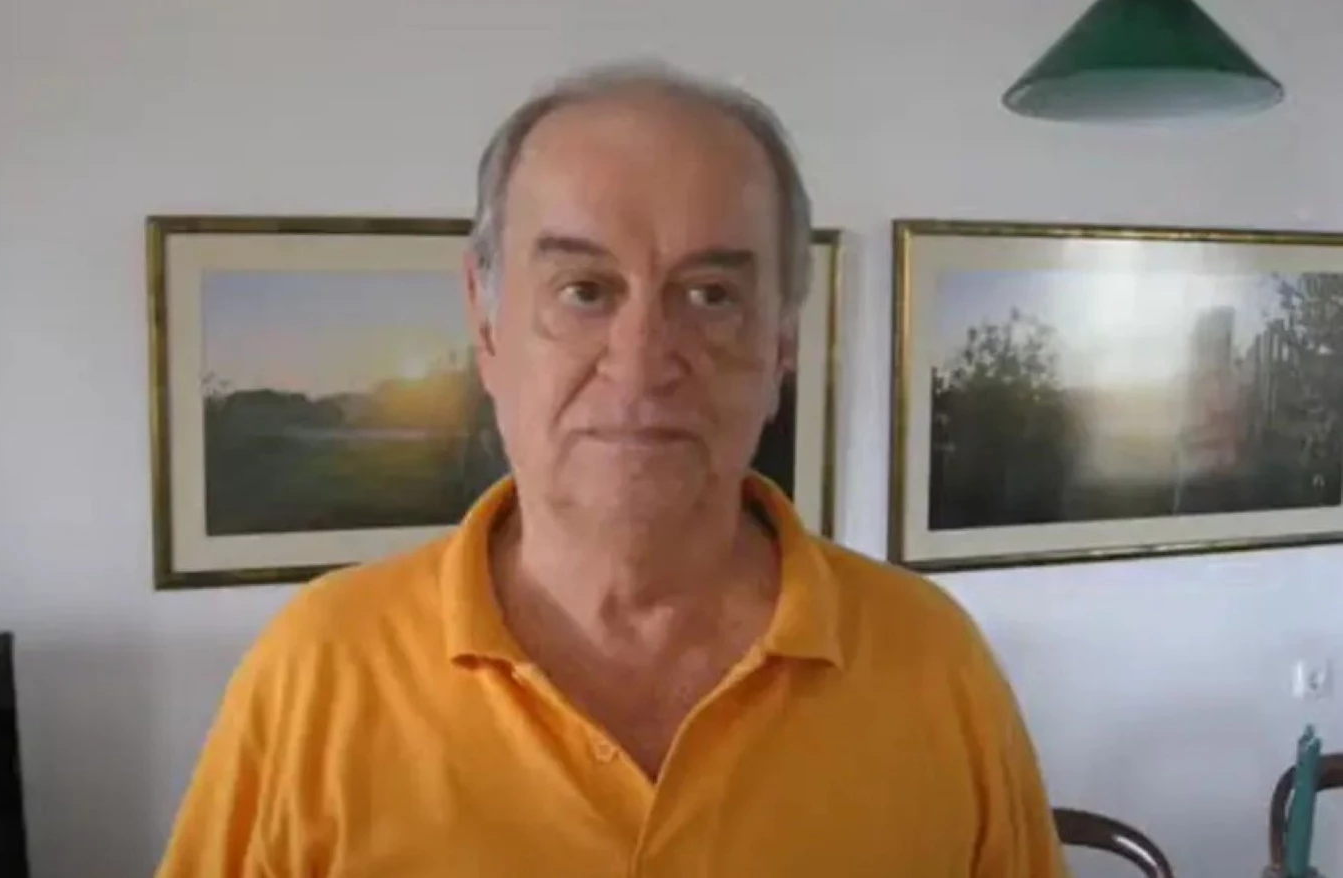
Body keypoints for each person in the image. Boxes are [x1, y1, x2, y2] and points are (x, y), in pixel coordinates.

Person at [155, 62, 1071, 877]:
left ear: (783, 341)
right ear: (485, 321)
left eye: (710, 296)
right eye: (584, 291)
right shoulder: (318, 671)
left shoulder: (932, 663)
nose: (641, 363)